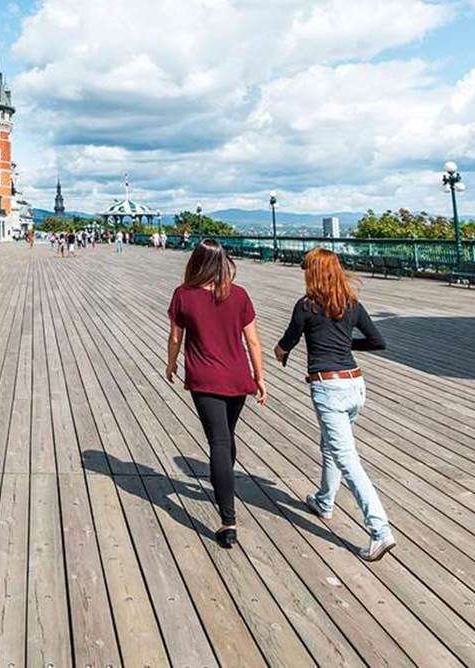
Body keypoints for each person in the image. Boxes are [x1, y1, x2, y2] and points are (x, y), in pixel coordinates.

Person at [274, 248, 394, 562]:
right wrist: (345, 343)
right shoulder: (351, 303)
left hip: (329, 388)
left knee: (347, 459)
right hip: (355, 385)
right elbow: (378, 342)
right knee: (331, 445)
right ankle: (325, 501)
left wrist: (281, 352)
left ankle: (380, 530)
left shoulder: (306, 306)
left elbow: (287, 343)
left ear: (313, 274)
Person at [165, 239, 267, 549]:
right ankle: (224, 480)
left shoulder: (184, 295)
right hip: (237, 377)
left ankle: (228, 520)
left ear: (195, 262)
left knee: (219, 441)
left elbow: (175, 338)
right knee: (226, 436)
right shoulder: (239, 294)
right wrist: (260, 378)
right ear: (223, 262)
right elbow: (253, 341)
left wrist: (171, 364)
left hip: (205, 378)